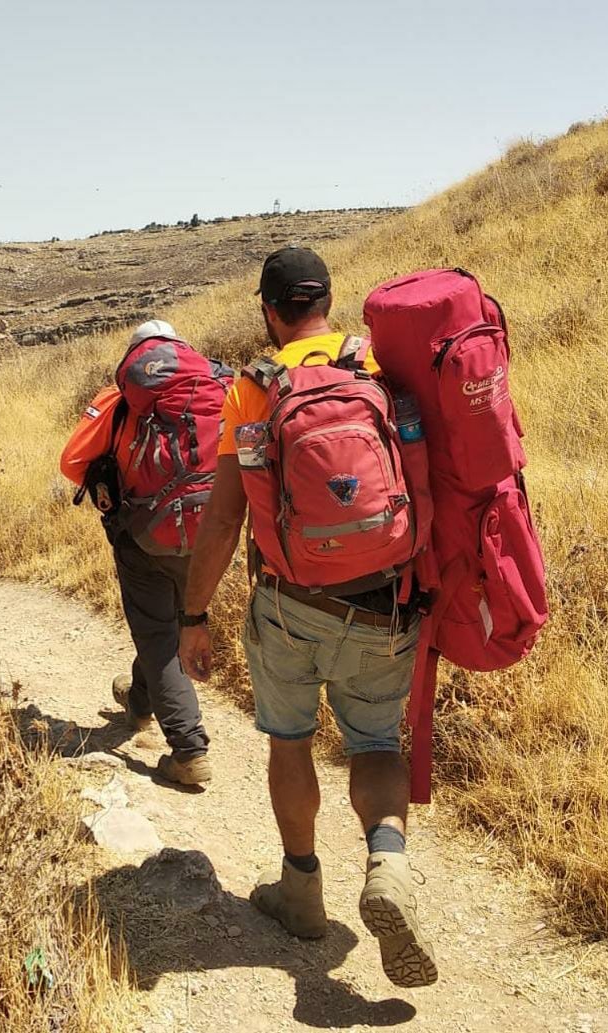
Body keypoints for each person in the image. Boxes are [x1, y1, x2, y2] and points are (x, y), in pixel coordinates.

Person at [176, 248, 438, 988]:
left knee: (289, 738)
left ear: (268, 309)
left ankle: (301, 890)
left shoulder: (253, 390)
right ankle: (387, 860)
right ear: (328, 300)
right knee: (375, 741)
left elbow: (225, 518)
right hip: (387, 600)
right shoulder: (376, 367)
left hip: (291, 607)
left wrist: (194, 614)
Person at [60, 319, 221, 787]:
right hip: (213, 534)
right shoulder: (217, 387)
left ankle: (189, 749)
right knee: (167, 623)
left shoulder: (119, 400)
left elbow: (71, 463)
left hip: (146, 534)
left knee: (157, 634)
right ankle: (138, 702)